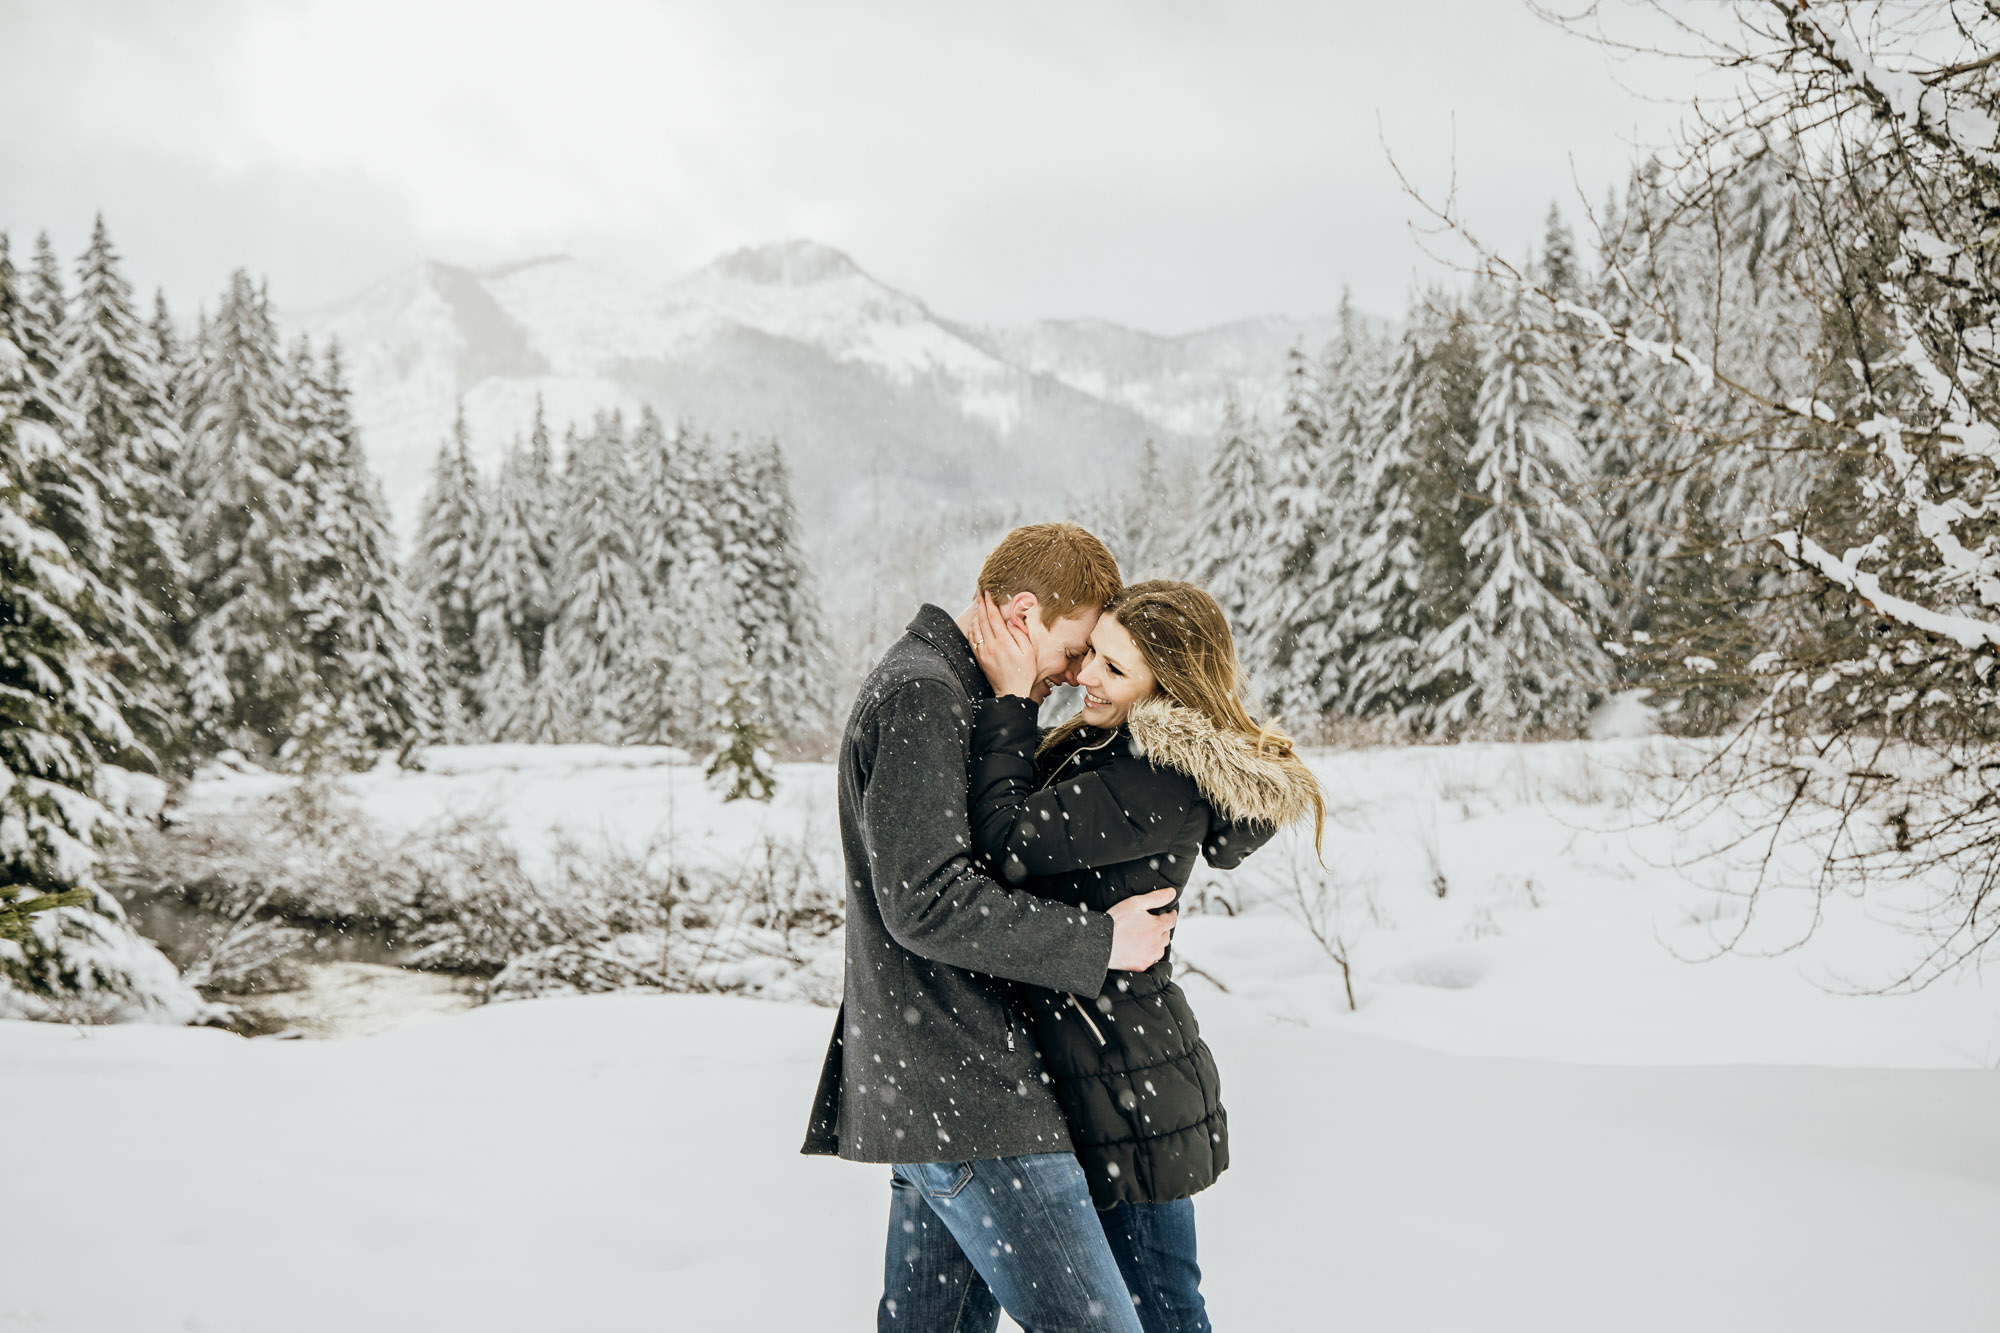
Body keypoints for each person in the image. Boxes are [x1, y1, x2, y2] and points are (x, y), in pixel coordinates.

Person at [803, 522, 1177, 1333]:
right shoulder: (923, 693)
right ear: (1021, 613)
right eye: (1074, 648)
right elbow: (926, 900)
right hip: (971, 1093)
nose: (1078, 674)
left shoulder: (953, 690)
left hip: (946, 1084)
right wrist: (1101, 942)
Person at [965, 579, 1326, 1333]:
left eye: (1115, 669)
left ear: (1168, 685)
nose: (1087, 676)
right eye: (1092, 651)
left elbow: (1007, 843)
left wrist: (1011, 703)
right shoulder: (1111, 745)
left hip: (1125, 1088)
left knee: (1161, 1312)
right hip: (1106, 1069)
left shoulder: (1156, 777)